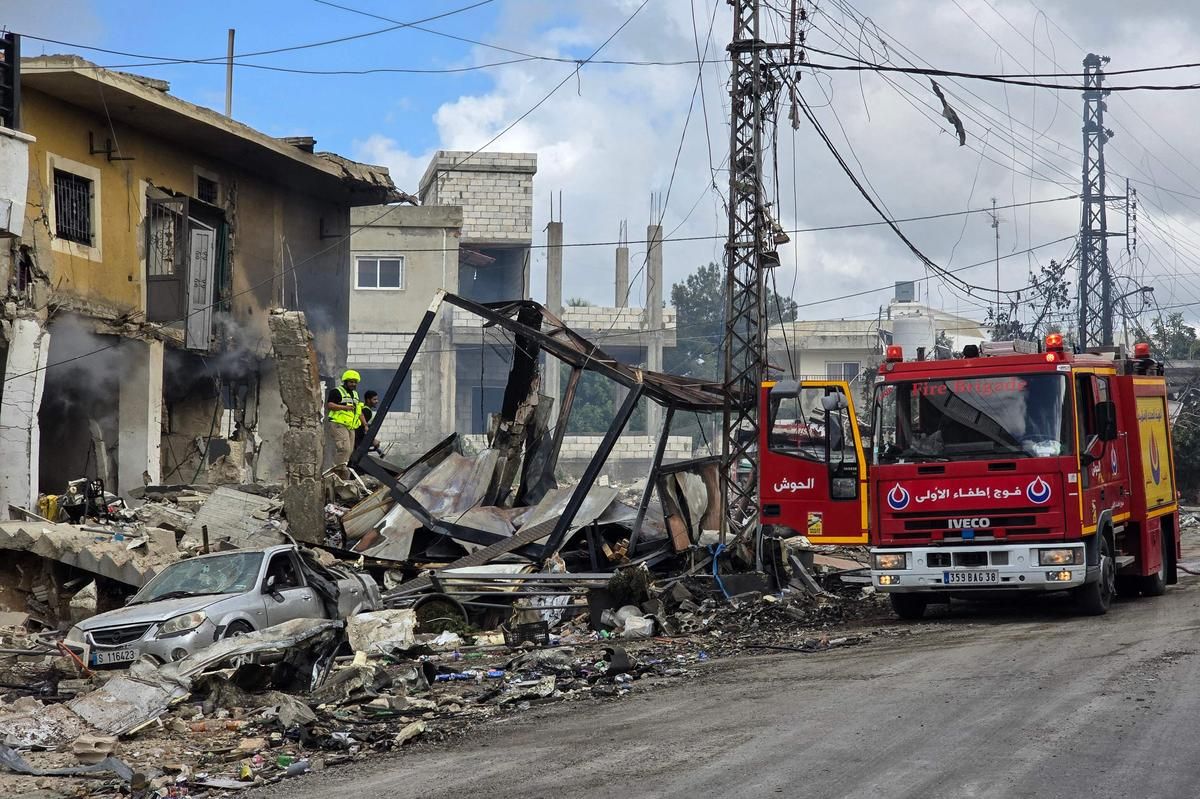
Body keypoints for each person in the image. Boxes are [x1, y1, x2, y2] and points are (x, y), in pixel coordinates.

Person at [327, 370, 362, 477]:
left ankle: (342, 473)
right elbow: (330, 405)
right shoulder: (336, 391)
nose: (353, 384)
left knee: (350, 450)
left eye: (355, 382)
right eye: (351, 382)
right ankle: (334, 472)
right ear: (345, 382)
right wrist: (345, 407)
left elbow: (357, 410)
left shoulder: (355, 394)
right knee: (344, 448)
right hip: (338, 424)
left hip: (350, 426)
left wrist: (364, 425)